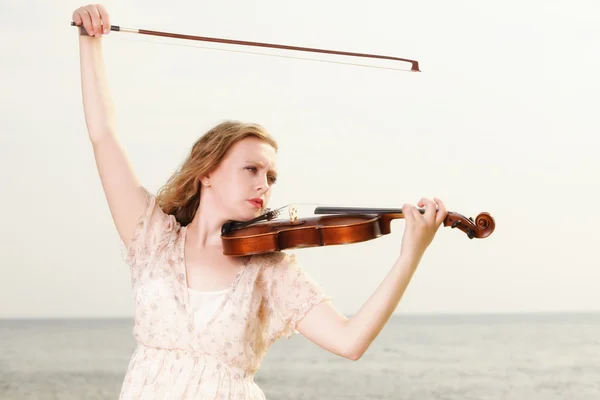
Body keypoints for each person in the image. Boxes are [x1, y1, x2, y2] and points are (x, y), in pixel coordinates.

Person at [72, 4, 448, 399]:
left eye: (270, 177)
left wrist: (411, 254)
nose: (264, 185)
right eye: (250, 169)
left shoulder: (269, 269)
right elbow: (104, 135)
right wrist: (89, 42)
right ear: (207, 172)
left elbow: (349, 341)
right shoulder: (152, 238)